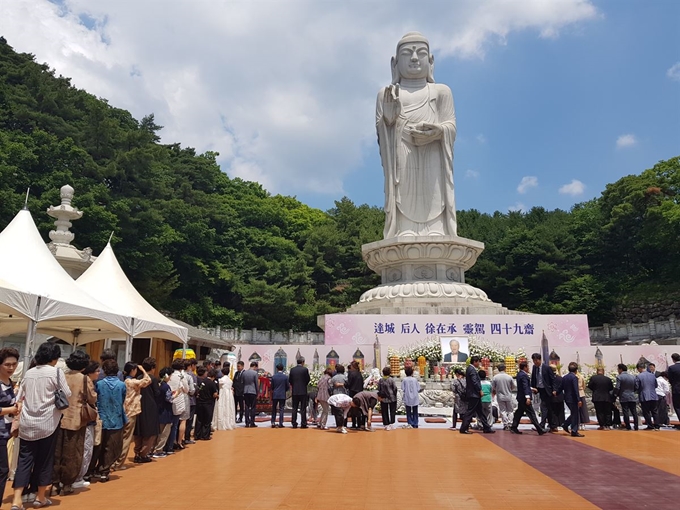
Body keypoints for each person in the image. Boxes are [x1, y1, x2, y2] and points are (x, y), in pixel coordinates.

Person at [377, 31, 458, 238]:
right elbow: (382, 131)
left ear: (431, 61)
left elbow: (451, 125)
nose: (414, 58)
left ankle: (436, 226)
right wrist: (388, 119)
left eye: (420, 53)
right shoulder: (388, 93)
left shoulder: (441, 91)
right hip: (401, 148)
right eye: (407, 53)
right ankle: (405, 227)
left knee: (434, 186)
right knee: (404, 186)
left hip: (433, 150)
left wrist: (439, 131)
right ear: (395, 63)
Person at [11, 342, 71, 510]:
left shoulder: (29, 373)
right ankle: (40, 497)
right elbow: (67, 394)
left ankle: (17, 499)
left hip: (27, 422)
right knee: (45, 460)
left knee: (24, 460)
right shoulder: (56, 372)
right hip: (48, 422)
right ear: (54, 358)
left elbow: (20, 396)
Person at [52, 350, 97, 494]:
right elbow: (92, 398)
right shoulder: (84, 379)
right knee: (73, 453)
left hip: (59, 418)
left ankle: (54, 483)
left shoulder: (62, 376)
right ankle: (67, 484)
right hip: (76, 420)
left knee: (57, 452)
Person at [92, 359, 126, 482]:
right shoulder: (122, 385)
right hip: (116, 419)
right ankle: (104, 470)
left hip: (101, 418)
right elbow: (122, 399)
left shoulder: (99, 384)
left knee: (98, 446)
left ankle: (93, 469)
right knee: (113, 447)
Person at [112, 362, 150, 471]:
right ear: (132, 370)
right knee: (126, 438)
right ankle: (119, 463)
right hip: (131, 412)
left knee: (120, 437)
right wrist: (143, 370)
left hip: (123, 411)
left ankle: (114, 461)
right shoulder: (132, 382)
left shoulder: (123, 381)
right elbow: (147, 381)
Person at [74, 361, 100, 489]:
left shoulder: (69, 377)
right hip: (86, 418)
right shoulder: (87, 381)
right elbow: (93, 398)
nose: (99, 373)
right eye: (97, 371)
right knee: (86, 448)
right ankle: (78, 476)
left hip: (73, 418)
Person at [0, 348, 19, 501]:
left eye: (14, 364)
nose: (11, 368)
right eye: (7, 365)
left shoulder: (9, 382)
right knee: (3, 470)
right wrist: (10, 409)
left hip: (5, 431)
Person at [133, 357, 160, 463]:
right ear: (153, 368)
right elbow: (157, 393)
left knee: (139, 430)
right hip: (151, 407)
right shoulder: (152, 379)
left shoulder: (139, 377)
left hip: (139, 405)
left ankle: (137, 452)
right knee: (150, 431)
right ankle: (144, 454)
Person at [460, 356, 494, 434]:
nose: (479, 364)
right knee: (470, 411)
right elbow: (475, 381)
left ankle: (486, 427)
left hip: (474, 394)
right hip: (474, 394)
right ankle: (464, 428)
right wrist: (480, 390)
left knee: (481, 412)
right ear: (475, 362)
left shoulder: (470, 369)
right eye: (478, 362)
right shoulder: (472, 369)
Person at [510, 361, 545, 435]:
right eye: (527, 367)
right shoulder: (524, 375)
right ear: (525, 367)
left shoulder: (520, 374)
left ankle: (514, 427)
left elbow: (524, 386)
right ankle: (539, 429)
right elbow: (525, 386)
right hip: (524, 398)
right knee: (531, 413)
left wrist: (531, 388)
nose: (528, 368)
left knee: (519, 413)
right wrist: (528, 397)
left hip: (521, 397)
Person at [152, 367, 175, 457]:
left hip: (158, 411)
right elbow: (169, 399)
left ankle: (153, 449)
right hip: (166, 412)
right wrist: (176, 394)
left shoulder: (158, 384)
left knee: (158, 432)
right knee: (164, 433)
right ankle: (159, 450)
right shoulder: (166, 386)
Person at [530, 353, 556, 432]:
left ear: (540, 360)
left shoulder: (547, 368)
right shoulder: (534, 367)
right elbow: (533, 378)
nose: (535, 362)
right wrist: (533, 387)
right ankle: (551, 425)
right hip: (539, 389)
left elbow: (552, 379)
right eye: (534, 361)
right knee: (547, 407)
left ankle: (542, 425)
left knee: (544, 407)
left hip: (547, 390)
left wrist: (554, 390)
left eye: (536, 360)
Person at [195, 368, 219, 439]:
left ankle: (197, 435)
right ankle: (205, 435)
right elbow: (214, 394)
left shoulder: (202, 381)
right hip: (208, 403)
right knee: (207, 420)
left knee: (199, 419)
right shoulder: (212, 383)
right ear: (214, 376)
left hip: (200, 403)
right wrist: (217, 396)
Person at [562, 362, 584, 437]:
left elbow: (561, 387)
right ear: (576, 370)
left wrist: (556, 392)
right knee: (575, 414)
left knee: (574, 413)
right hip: (573, 398)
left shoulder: (565, 377)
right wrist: (578, 400)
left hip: (567, 398)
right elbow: (575, 389)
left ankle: (565, 424)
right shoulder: (574, 377)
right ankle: (574, 430)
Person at [636, 362, 659, 430]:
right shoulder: (652, 375)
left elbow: (637, 386)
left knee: (646, 412)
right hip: (653, 395)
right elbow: (656, 385)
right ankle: (657, 425)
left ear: (639, 368)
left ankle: (650, 425)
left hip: (644, 395)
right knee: (654, 411)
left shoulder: (639, 376)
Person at [289, 357, 311, 429]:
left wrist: (294, 385)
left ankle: (294, 423)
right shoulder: (305, 369)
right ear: (303, 362)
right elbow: (308, 379)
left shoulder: (292, 370)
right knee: (303, 408)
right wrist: (304, 385)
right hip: (303, 391)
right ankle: (303, 423)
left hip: (295, 391)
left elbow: (290, 380)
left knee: (294, 408)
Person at [491, 364, 515, 431]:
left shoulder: (495, 377)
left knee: (503, 411)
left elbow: (493, 387)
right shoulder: (509, 377)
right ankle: (510, 423)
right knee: (510, 410)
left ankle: (505, 424)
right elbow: (513, 386)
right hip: (508, 395)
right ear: (505, 369)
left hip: (500, 396)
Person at [615, 363, 638, 431]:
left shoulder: (619, 377)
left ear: (621, 369)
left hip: (624, 396)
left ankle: (628, 426)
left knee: (625, 411)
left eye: (618, 369)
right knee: (634, 411)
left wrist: (616, 394)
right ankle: (636, 426)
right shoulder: (633, 376)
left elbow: (617, 387)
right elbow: (636, 387)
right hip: (632, 396)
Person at [214, 366, 236, 431]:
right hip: (229, 396)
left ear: (222, 372)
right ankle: (229, 422)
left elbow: (218, 386)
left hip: (223, 394)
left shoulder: (221, 380)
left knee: (221, 407)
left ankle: (221, 423)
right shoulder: (230, 380)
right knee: (228, 408)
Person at [183, 358, 198, 444]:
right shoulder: (191, 376)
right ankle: (187, 437)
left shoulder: (179, 375)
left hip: (181, 400)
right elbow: (193, 390)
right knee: (189, 420)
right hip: (191, 400)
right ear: (191, 366)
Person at [346, 362, 364, 429]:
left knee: (353, 407)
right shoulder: (359, 374)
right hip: (359, 392)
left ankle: (354, 423)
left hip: (353, 392)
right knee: (358, 408)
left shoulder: (351, 373)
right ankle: (359, 423)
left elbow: (349, 384)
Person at [270, 364, 289, 428]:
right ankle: (281, 423)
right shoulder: (285, 377)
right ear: (282, 368)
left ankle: (273, 422)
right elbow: (287, 386)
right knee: (281, 409)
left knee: (274, 409)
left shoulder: (274, 376)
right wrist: (284, 390)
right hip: (282, 394)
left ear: (277, 369)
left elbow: (271, 386)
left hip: (275, 394)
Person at [242, 362, 260, 428]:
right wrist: (257, 392)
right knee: (253, 407)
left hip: (245, 391)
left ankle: (247, 422)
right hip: (253, 391)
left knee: (246, 407)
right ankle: (252, 422)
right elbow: (256, 383)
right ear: (254, 366)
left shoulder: (244, 373)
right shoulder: (255, 373)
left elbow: (243, 382)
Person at [550, 366, 565, 432]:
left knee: (553, 411)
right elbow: (562, 386)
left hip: (552, 396)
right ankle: (561, 423)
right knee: (560, 410)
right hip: (560, 395)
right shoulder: (560, 378)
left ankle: (555, 423)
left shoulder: (549, 378)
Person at [668, 353, 680, 429]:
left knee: (677, 407)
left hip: (676, 390)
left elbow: (670, 379)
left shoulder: (672, 368)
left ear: (673, 359)